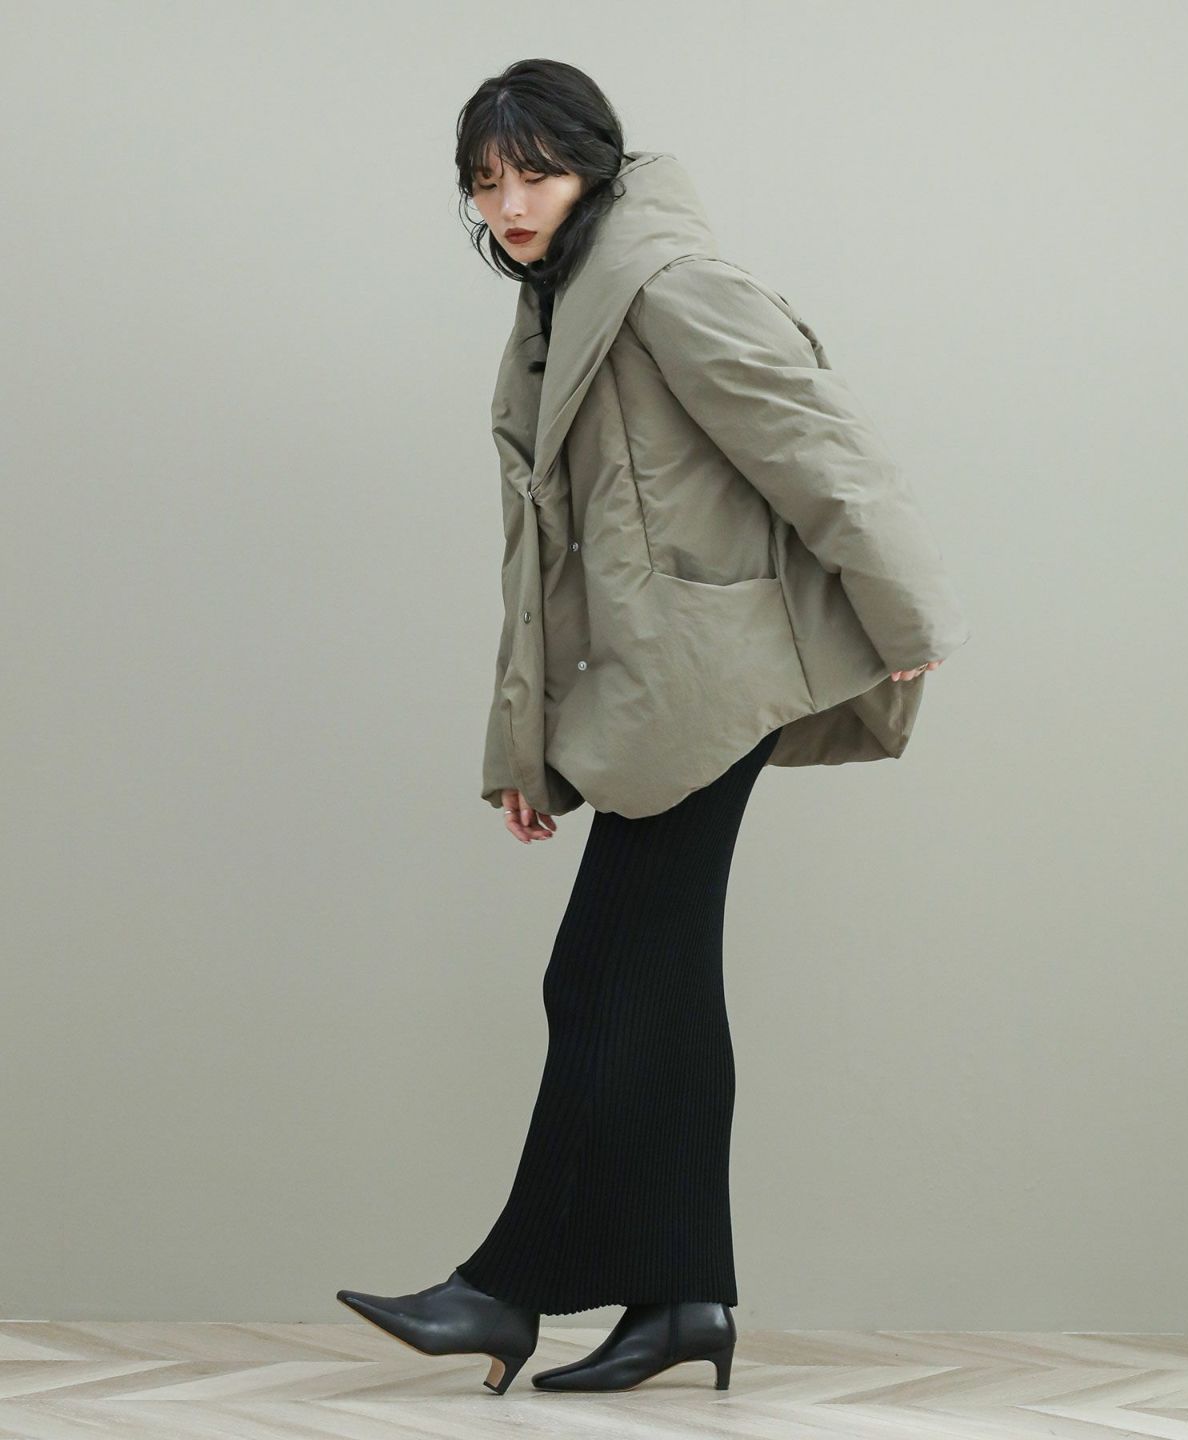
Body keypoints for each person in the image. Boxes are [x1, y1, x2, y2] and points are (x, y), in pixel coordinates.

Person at [337, 58, 969, 1397]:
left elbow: (822, 450)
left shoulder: (666, 286)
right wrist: (524, 752)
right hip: (658, 685)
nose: (510, 205)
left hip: (713, 681)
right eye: (486, 183)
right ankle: (683, 1299)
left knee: (604, 979)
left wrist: (906, 615)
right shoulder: (562, 302)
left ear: (597, 166)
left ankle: (502, 1291)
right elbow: (546, 563)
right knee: (664, 984)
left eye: (536, 174)